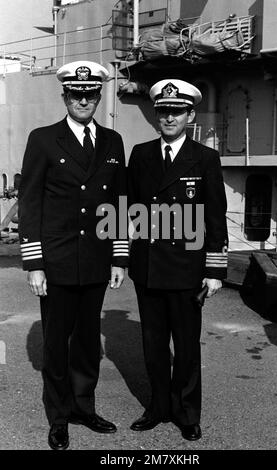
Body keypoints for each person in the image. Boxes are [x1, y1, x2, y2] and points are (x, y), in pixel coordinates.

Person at [18, 60, 128, 450]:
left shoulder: (113, 142)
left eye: (90, 94)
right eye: (76, 94)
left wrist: (118, 257)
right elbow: (29, 202)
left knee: (86, 342)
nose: (83, 100)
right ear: (65, 96)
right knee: (56, 344)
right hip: (58, 260)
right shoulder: (44, 139)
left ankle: (84, 407)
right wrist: (34, 263)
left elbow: (118, 201)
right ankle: (59, 416)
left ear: (98, 96)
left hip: (96, 261)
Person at [127, 79, 228, 441]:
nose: (169, 117)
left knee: (185, 346)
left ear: (190, 115)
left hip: (186, 268)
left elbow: (215, 216)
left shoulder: (205, 158)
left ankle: (186, 412)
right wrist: (124, 258)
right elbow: (130, 211)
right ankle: (157, 407)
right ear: (156, 115)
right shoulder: (140, 154)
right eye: (163, 112)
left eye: (177, 111)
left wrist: (215, 269)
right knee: (153, 344)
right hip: (150, 266)